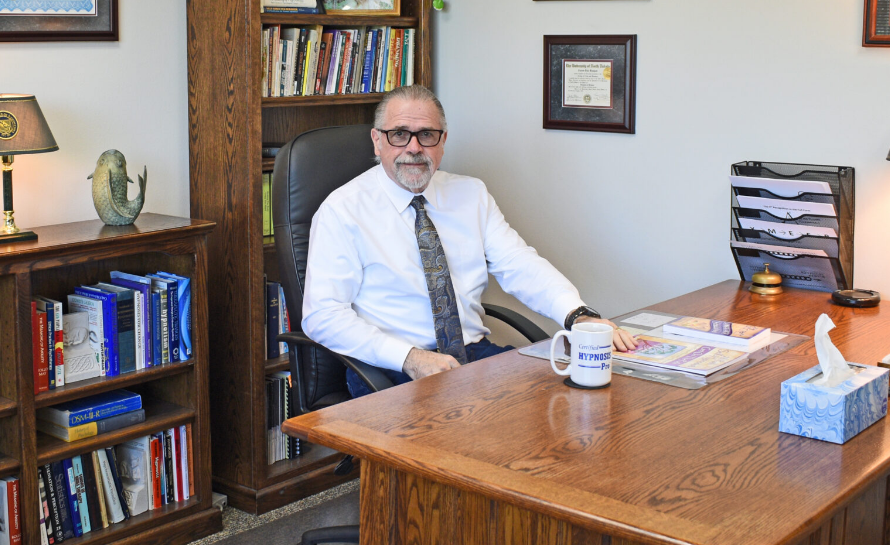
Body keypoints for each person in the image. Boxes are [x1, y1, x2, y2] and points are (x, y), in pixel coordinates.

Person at [301, 85, 637, 398]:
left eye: (427, 135)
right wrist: (410, 358)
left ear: (443, 141)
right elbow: (322, 315)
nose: (414, 148)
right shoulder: (342, 211)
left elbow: (519, 264)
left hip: (473, 357)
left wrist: (576, 314)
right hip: (391, 369)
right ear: (377, 141)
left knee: (569, 406)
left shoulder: (470, 194)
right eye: (400, 135)